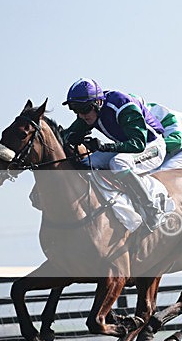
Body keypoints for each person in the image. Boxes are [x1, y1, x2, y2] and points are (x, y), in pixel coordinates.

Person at [61, 78, 167, 231]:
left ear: (97, 103)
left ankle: (152, 211)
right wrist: (70, 137)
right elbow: (65, 134)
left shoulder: (123, 106)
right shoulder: (90, 112)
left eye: (83, 109)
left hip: (152, 146)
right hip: (125, 147)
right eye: (75, 110)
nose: (81, 115)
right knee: (85, 164)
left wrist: (104, 146)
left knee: (118, 163)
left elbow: (138, 144)